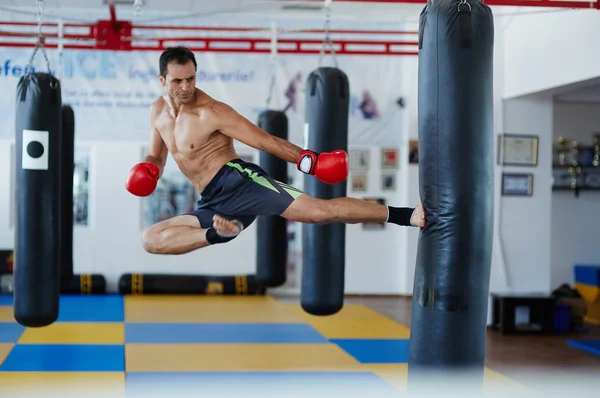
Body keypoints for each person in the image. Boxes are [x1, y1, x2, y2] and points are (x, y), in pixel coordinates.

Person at [125, 46, 425, 255]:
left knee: (319, 212)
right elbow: (157, 156)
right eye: (177, 81)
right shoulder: (158, 112)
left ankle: (407, 215)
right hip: (213, 201)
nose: (185, 87)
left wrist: (311, 161)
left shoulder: (212, 111)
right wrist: (149, 168)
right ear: (162, 80)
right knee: (150, 240)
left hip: (239, 182)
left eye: (191, 79)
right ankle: (217, 234)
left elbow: (264, 141)